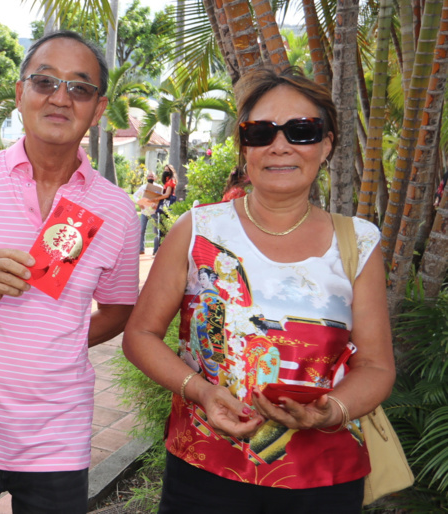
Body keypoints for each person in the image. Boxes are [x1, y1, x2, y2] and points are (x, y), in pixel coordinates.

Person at [122, 66, 395, 513]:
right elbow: (139, 336)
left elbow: (377, 366)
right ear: (243, 147)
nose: (280, 145)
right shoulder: (199, 230)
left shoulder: (358, 241)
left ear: (326, 145)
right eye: (261, 132)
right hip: (204, 472)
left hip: (322, 478)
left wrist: (331, 411)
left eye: (302, 131)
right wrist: (201, 390)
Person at [0, 30, 140, 514]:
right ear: (20, 93)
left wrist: (56, 341)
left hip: (56, 441)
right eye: (45, 82)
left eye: (80, 88)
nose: (60, 97)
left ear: (98, 110)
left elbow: (120, 308)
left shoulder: (117, 209)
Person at [133, 171, 160, 254]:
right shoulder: (143, 187)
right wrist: (139, 202)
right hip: (144, 212)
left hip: (154, 212)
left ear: (155, 178)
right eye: (149, 176)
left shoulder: (158, 187)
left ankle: (155, 250)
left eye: (152, 176)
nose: (150, 178)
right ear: (147, 178)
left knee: (156, 231)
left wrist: (157, 205)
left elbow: (162, 198)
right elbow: (135, 195)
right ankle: (141, 249)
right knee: (141, 230)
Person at [154, 164, 177, 253]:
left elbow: (167, 195)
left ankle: (165, 249)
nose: (166, 171)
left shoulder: (171, 181)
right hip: (164, 205)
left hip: (167, 205)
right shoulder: (167, 182)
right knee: (162, 227)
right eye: (165, 169)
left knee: (165, 227)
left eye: (168, 169)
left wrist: (156, 198)